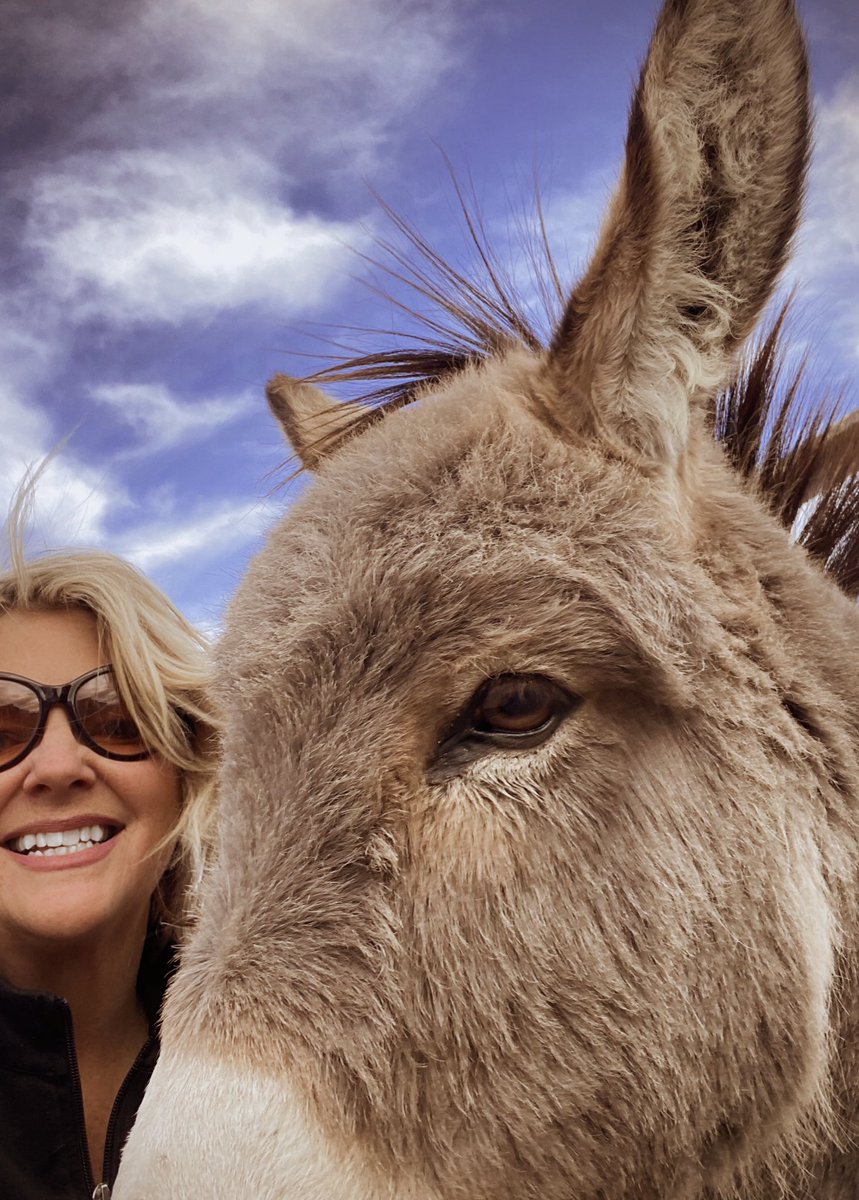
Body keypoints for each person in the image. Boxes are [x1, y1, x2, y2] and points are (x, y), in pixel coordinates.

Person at [0, 505, 218, 1199]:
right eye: (2, 730)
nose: (57, 766)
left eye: (119, 719)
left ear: (188, 772)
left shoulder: (305, 1066)